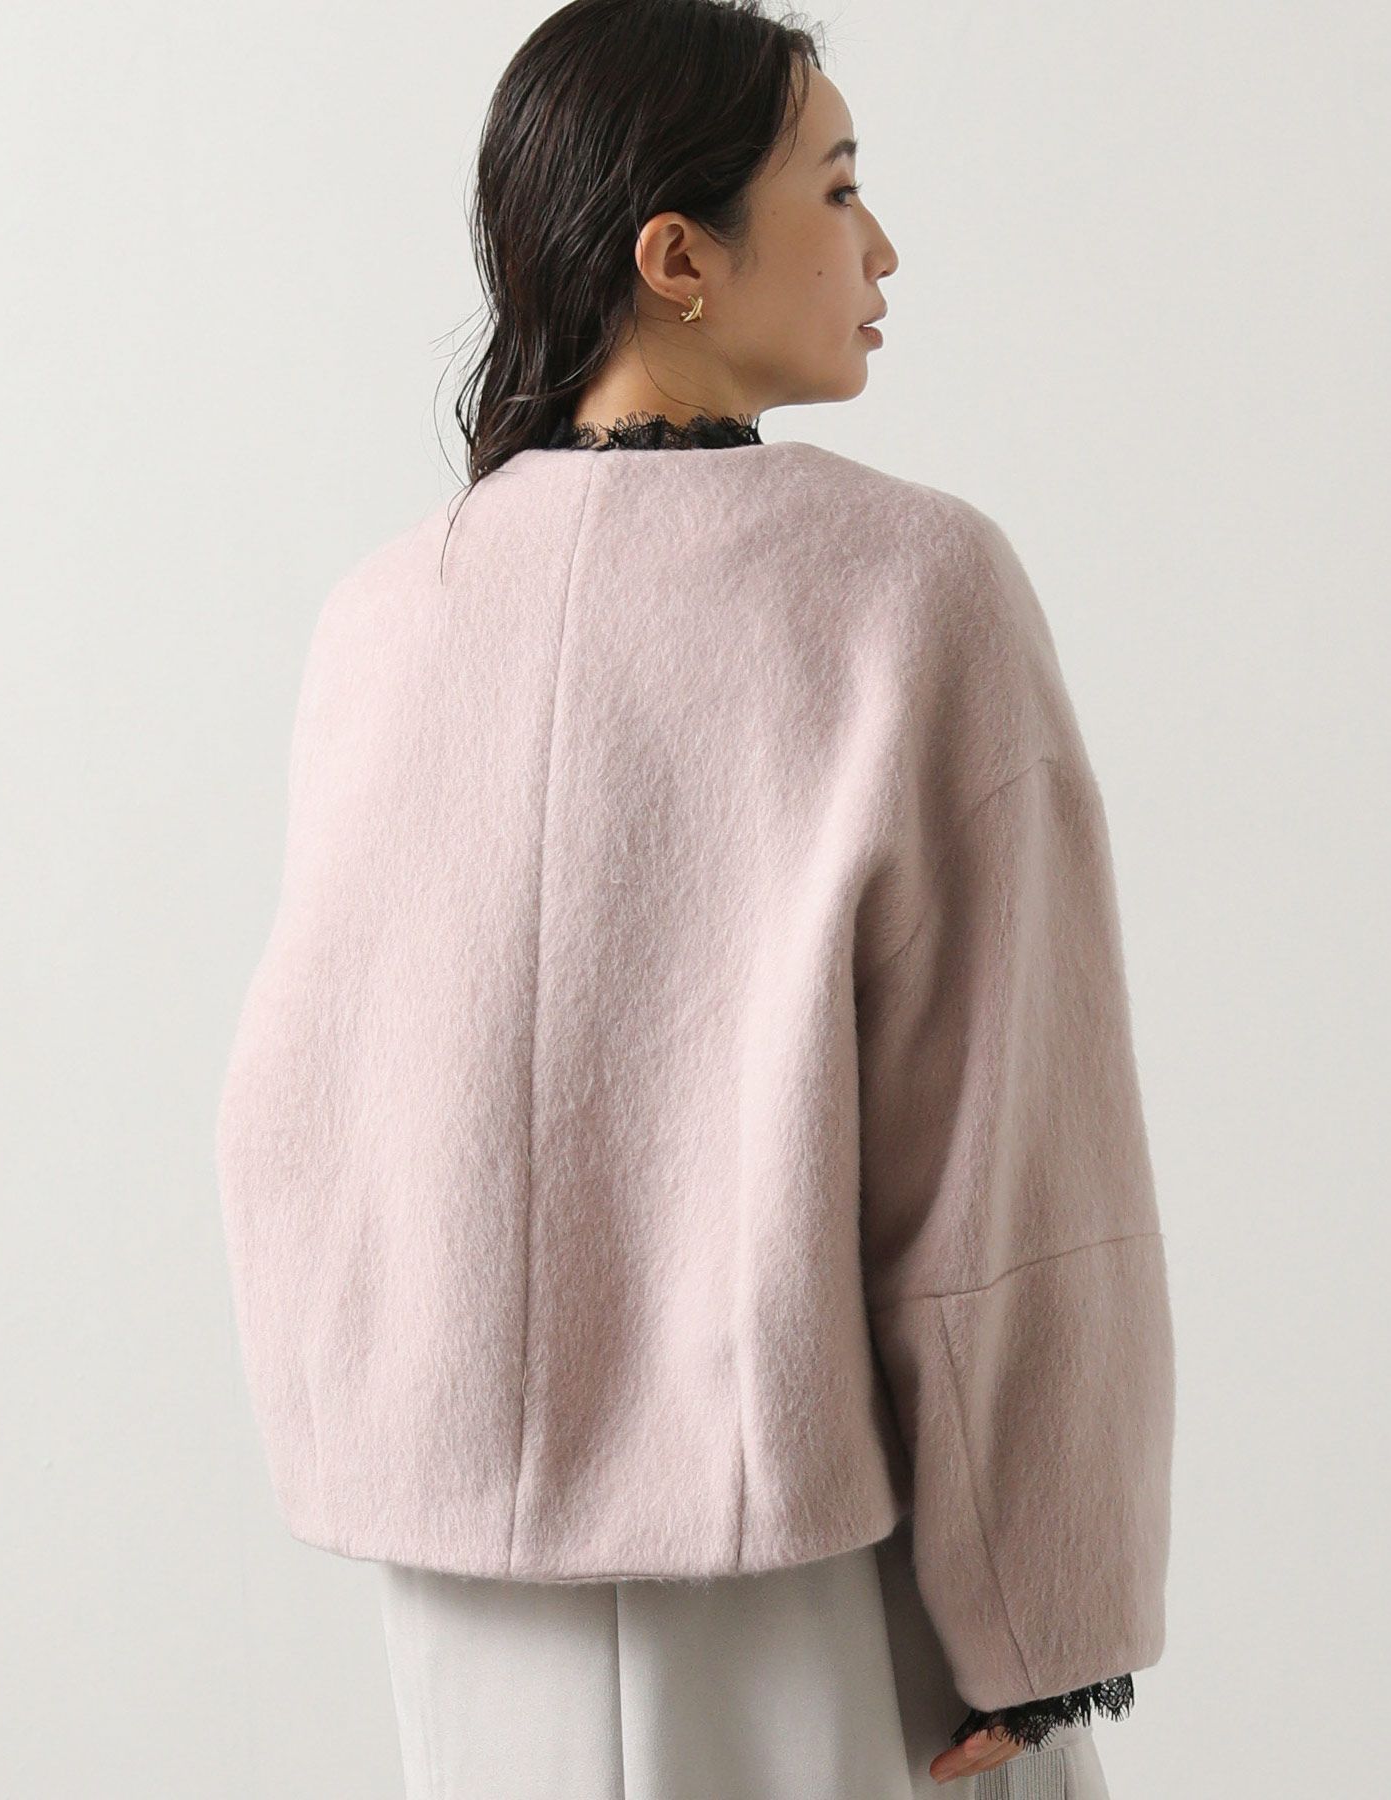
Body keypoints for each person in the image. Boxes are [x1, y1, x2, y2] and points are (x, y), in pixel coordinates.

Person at [214, 2, 1176, 1794]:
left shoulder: (386, 613)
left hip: (465, 1597)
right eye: (840, 187)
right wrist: (1043, 1628)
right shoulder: (912, 590)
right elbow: (1006, 1161)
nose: (883, 249)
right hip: (826, 1578)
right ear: (678, 259)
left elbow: (304, 1122)